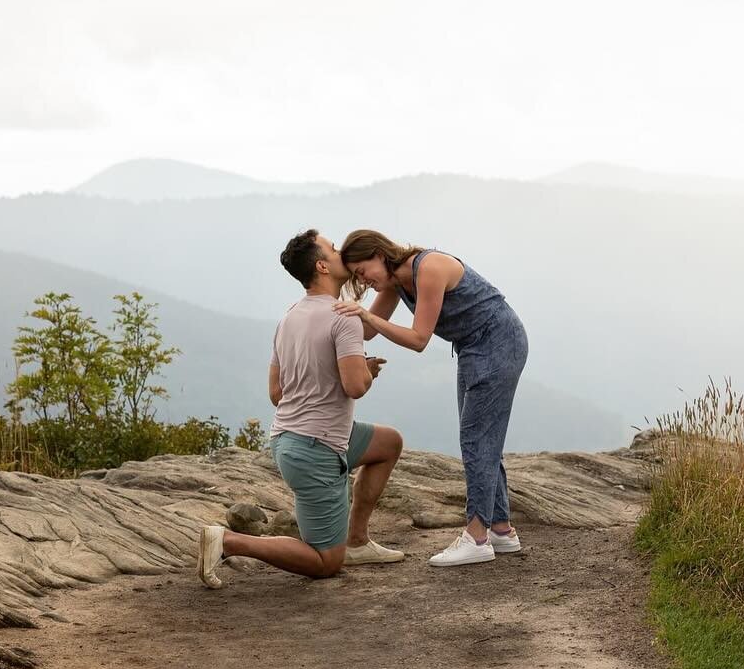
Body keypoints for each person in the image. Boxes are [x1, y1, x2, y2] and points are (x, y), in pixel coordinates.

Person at [197, 229, 405, 589]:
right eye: (333, 248)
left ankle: (356, 541)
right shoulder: (345, 317)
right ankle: (229, 542)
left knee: (388, 444)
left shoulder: (289, 316)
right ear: (323, 266)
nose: (342, 251)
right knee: (325, 562)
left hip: (289, 440)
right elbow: (355, 387)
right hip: (317, 449)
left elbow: (277, 393)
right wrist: (367, 372)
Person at [333, 230, 527, 568]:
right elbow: (367, 330)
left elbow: (419, 338)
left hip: (498, 342)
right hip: (472, 348)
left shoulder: (430, 268)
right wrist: (332, 307)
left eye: (363, 271)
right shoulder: (395, 281)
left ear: (380, 254)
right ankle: (500, 529)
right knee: (482, 437)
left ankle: (476, 537)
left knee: (477, 438)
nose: (363, 281)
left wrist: (365, 314)